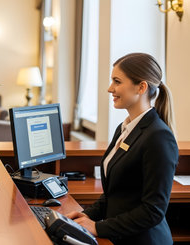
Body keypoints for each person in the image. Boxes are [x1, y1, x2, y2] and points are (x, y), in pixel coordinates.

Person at [67, 53, 178, 245]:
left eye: (117, 81)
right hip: (119, 235)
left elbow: (153, 211)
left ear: (141, 87)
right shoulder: (124, 128)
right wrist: (84, 216)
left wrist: (97, 227)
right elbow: (115, 194)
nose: (110, 89)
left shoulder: (158, 137)